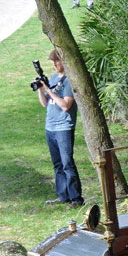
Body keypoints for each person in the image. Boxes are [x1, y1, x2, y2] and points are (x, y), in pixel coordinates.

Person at [38, 48, 84, 206]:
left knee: (67, 163)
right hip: (50, 127)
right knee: (57, 164)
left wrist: (48, 91)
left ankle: (76, 198)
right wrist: (40, 88)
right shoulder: (53, 78)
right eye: (53, 61)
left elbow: (65, 105)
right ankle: (63, 196)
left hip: (64, 127)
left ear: (64, 61)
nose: (55, 64)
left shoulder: (69, 81)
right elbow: (44, 103)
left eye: (57, 60)